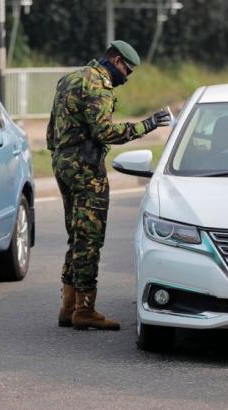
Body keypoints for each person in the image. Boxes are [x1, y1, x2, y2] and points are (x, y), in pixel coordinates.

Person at [46, 40, 170, 331]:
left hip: (63, 165)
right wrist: (147, 125)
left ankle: (68, 305)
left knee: (76, 235)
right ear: (115, 60)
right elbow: (104, 132)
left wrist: (64, 157)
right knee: (90, 239)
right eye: (126, 70)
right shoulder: (98, 86)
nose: (126, 78)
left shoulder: (70, 79)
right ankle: (84, 310)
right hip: (86, 170)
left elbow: (52, 130)